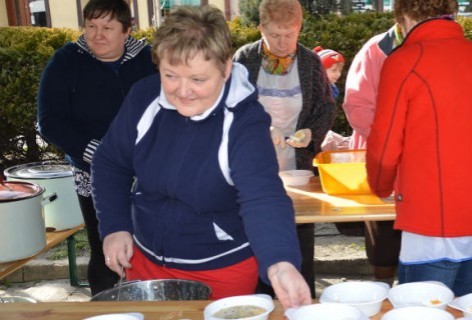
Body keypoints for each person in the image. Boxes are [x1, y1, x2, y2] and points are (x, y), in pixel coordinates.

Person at [91, 5, 312, 306]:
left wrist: (279, 262)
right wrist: (115, 226)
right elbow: (110, 162)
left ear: (225, 68)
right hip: (145, 261)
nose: (183, 91)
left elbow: (263, 197)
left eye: (197, 79)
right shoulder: (144, 96)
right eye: (170, 75)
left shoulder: (244, 121)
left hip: (221, 268)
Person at [366, 0, 472, 296]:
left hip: (430, 218)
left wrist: (380, 186)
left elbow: (384, 150)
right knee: (462, 307)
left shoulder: (403, 61)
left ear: (405, 16)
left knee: (423, 310)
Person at [36, 0, 157, 296]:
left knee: (153, 245)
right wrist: (97, 153)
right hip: (92, 173)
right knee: (105, 247)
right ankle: (103, 307)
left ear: (127, 30)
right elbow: (50, 120)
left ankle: (154, 301)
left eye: (107, 27)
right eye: (91, 26)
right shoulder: (66, 61)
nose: (97, 34)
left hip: (150, 171)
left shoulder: (148, 59)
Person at [233, 0, 336, 297]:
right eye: (275, 35)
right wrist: (260, 128)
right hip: (252, 167)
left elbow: (326, 107)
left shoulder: (309, 62)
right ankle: (259, 303)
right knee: (254, 238)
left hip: (297, 169)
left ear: (299, 29)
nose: (282, 43)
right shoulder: (244, 59)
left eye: (289, 35)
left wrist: (310, 132)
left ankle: (302, 301)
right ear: (261, 28)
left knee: (299, 241)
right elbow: (232, 109)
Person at [341, 24, 407, 284]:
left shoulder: (436, 49)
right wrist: (391, 140)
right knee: (384, 245)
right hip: (382, 158)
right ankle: (381, 296)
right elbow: (356, 106)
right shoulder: (376, 50)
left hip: (422, 164)